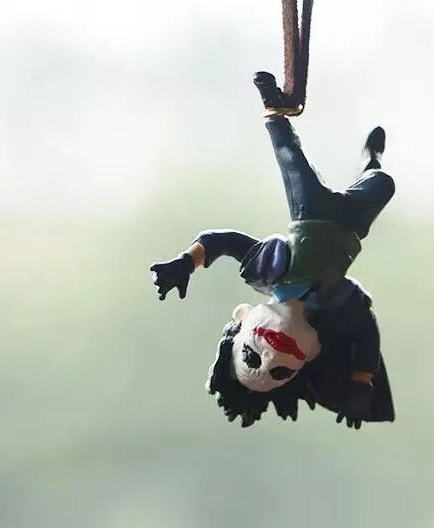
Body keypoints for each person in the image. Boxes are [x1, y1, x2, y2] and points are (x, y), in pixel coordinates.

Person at [150, 72, 396, 428]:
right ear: (307, 358)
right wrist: (361, 381)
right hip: (351, 227)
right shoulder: (338, 306)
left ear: (242, 319)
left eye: (251, 356)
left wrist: (186, 263)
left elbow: (223, 241)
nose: (270, 357)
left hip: (310, 213)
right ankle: (371, 162)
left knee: (291, 158)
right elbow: (366, 333)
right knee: (383, 184)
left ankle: (273, 108)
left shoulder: (269, 270)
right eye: (278, 371)